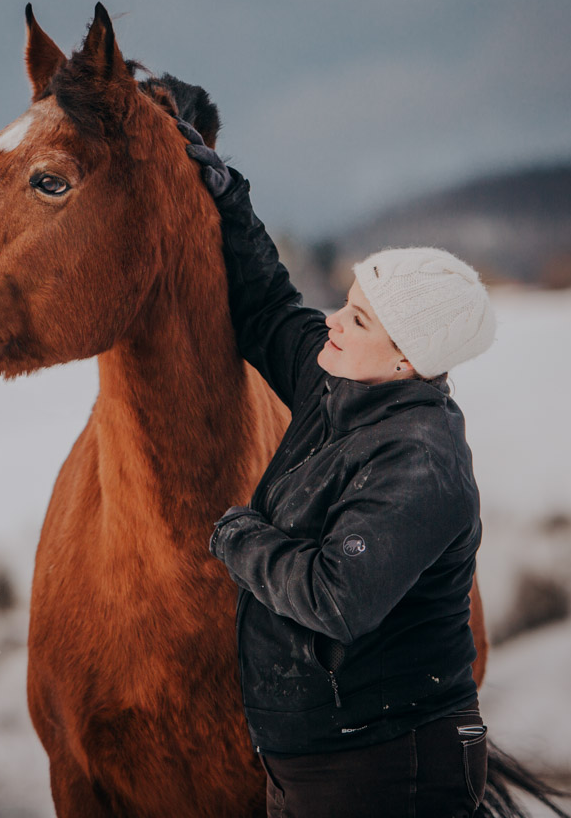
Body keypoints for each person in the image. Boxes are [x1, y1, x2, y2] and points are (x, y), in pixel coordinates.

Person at [183, 123, 496, 818]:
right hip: (322, 759)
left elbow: (336, 598)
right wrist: (228, 197)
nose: (334, 322)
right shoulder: (338, 385)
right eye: (346, 301)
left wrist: (240, 537)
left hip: (388, 766)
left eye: (358, 318)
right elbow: (268, 305)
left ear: (407, 360)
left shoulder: (421, 457)